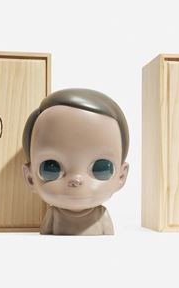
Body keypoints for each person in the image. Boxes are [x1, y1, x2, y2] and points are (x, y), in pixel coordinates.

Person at [22, 88, 129, 235]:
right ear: (30, 178)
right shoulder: (53, 214)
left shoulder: (101, 216)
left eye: (101, 168)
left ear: (121, 176)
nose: (76, 180)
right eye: (51, 168)